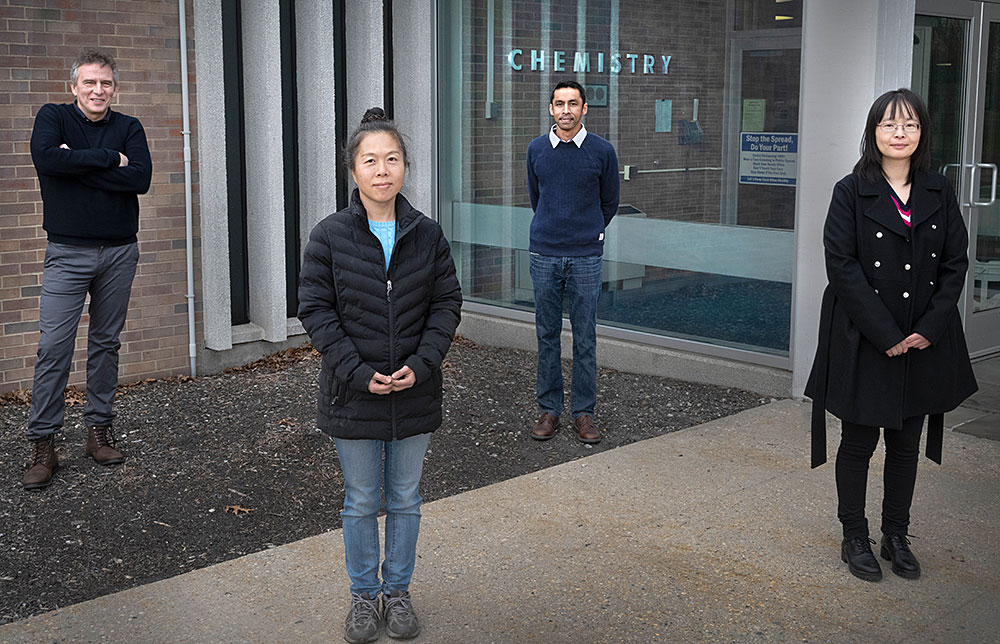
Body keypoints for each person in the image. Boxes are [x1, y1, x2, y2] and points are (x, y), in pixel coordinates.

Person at [298, 108, 462, 643]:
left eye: (392, 159)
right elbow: (315, 310)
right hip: (354, 392)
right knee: (363, 500)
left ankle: (399, 592)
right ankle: (364, 597)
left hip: (415, 391)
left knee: (407, 498)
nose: (382, 170)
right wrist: (355, 371)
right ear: (353, 171)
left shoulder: (428, 235)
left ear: (406, 168)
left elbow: (447, 305)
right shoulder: (329, 236)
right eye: (370, 161)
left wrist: (420, 366)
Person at [806, 88, 977, 582]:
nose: (899, 133)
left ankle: (895, 534)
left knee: (905, 444)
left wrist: (928, 329)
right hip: (866, 337)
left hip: (923, 338)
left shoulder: (938, 191)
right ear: (873, 132)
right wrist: (886, 333)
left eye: (909, 125)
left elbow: (954, 263)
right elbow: (841, 266)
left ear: (922, 133)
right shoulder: (850, 190)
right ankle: (853, 535)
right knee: (859, 442)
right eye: (888, 124)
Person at [22, 49, 152, 490]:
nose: (99, 91)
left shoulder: (129, 126)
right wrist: (107, 159)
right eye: (90, 83)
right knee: (54, 347)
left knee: (105, 344)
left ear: (115, 88)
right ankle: (43, 444)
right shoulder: (52, 117)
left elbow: (140, 180)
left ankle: (98, 431)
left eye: (107, 84)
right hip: (67, 252)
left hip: (119, 252)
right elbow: (46, 161)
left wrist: (75, 162)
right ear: (74, 86)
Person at [525, 80, 620, 445]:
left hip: (585, 256)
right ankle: (549, 410)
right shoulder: (537, 150)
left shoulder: (602, 151)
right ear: (551, 109)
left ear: (584, 109)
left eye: (573, 104)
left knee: (585, 338)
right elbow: (537, 198)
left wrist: (588, 232)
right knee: (547, 335)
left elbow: (608, 202)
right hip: (544, 254)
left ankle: (584, 413)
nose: (566, 110)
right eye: (559, 104)